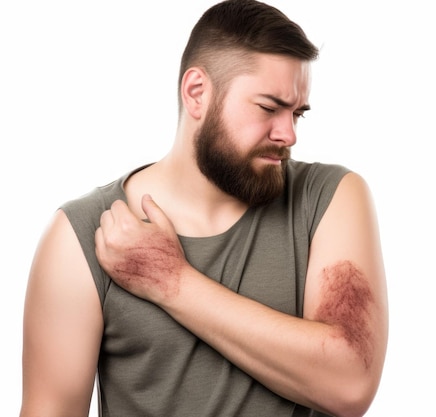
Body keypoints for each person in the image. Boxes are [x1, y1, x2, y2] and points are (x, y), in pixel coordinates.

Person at [20, 1, 388, 416]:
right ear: (197, 93)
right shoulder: (82, 234)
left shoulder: (330, 198)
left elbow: (350, 383)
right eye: (268, 108)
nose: (288, 134)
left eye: (297, 113)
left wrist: (172, 282)